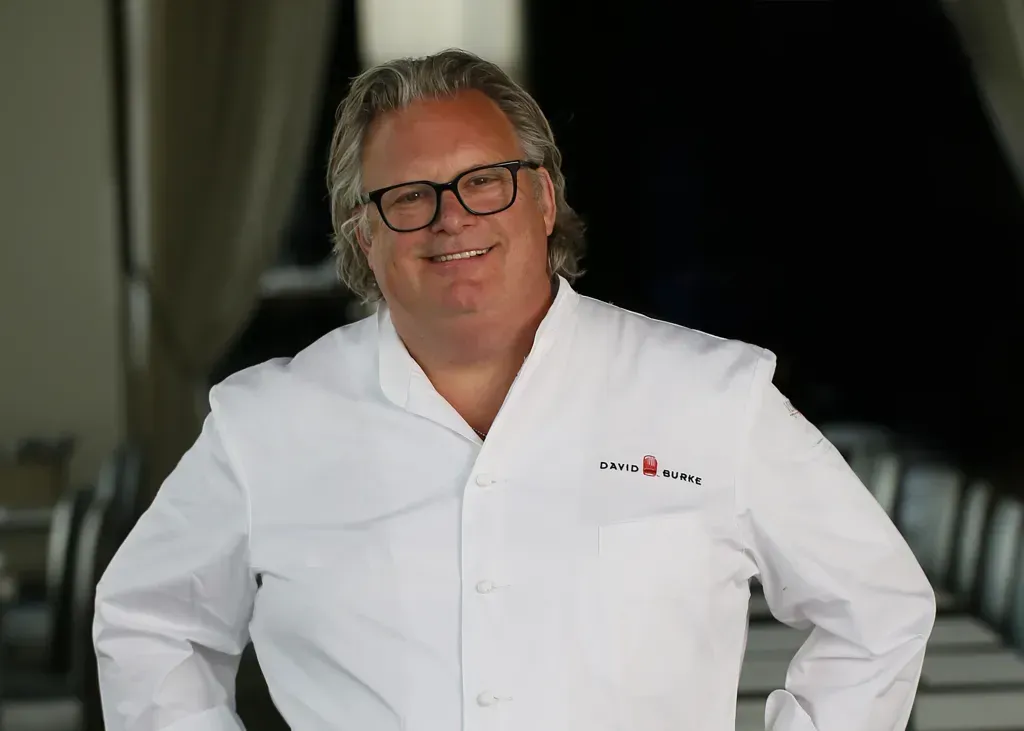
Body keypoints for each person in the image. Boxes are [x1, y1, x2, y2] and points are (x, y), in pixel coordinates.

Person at [93, 49, 935, 731]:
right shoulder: (264, 426)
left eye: (485, 179)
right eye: (409, 196)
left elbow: (879, 607)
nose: (452, 216)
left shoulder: (714, 396)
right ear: (364, 235)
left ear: (542, 197)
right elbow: (147, 623)